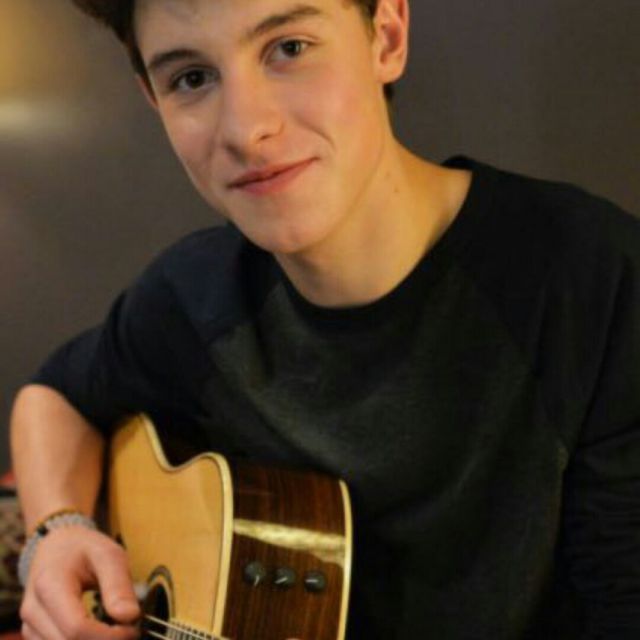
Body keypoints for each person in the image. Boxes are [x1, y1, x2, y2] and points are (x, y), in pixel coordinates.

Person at [9, 0, 640, 638]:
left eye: (289, 48)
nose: (246, 129)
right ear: (154, 99)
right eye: (192, 78)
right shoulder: (191, 300)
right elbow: (55, 397)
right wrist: (57, 534)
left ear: (386, 37)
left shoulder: (591, 279)